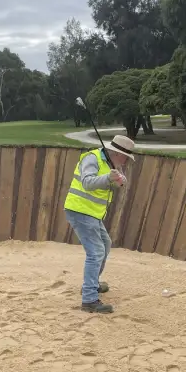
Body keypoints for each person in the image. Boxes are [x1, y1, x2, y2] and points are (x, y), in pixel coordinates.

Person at [64, 134, 136, 313]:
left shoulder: (110, 164)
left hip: (91, 213)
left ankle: (92, 284)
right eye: (126, 157)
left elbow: (107, 183)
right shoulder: (92, 158)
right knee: (96, 253)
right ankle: (89, 299)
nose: (126, 161)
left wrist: (118, 181)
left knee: (105, 244)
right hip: (80, 210)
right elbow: (88, 183)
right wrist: (109, 179)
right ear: (117, 153)